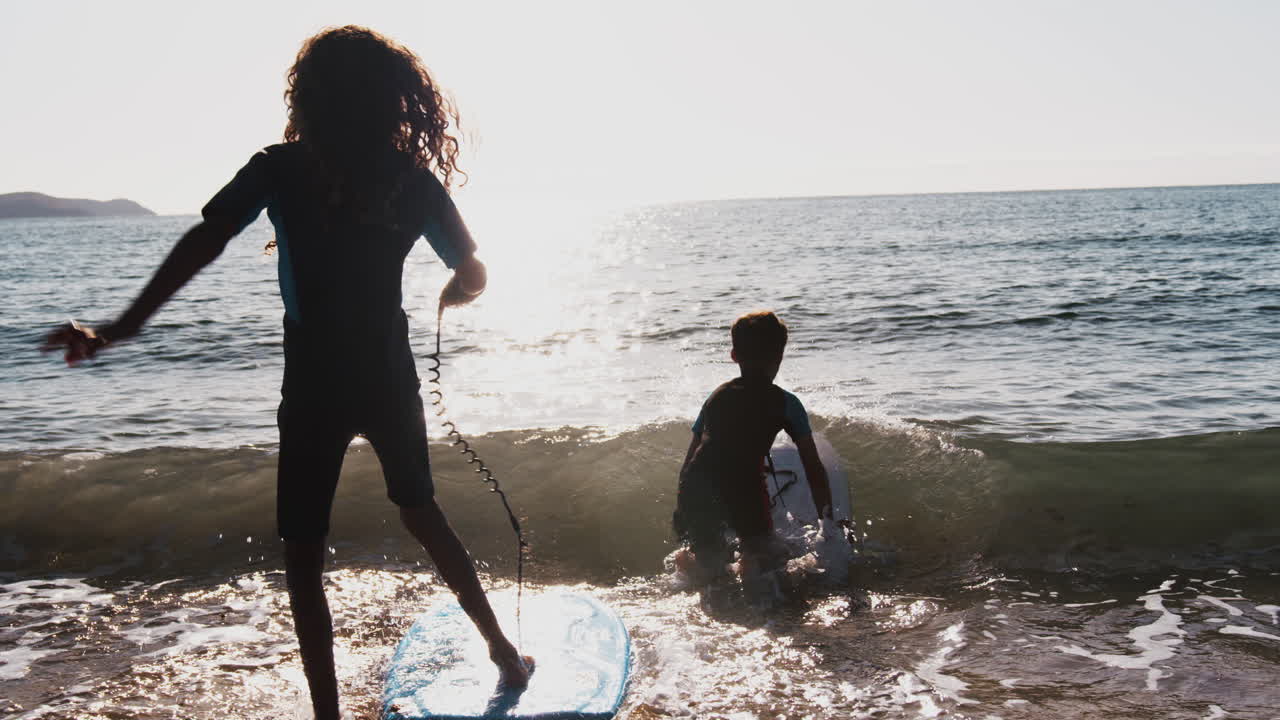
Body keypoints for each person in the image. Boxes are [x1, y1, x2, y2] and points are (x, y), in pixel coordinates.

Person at [41, 26, 531, 720]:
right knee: (423, 515)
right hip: (388, 378)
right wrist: (458, 292)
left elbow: (203, 242)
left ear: (309, 95)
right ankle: (504, 654)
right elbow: (473, 267)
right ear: (394, 98)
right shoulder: (411, 181)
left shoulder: (278, 168)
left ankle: (327, 715)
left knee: (304, 557)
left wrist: (122, 327)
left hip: (313, 388)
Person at [673, 310, 833, 586]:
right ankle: (761, 604)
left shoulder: (715, 397)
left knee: (708, 562)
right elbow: (812, 466)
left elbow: (691, 458)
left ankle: (701, 588)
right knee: (762, 560)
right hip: (744, 487)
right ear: (779, 356)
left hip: (696, 485)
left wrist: (682, 506)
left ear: (734, 355)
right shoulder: (786, 404)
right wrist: (828, 523)